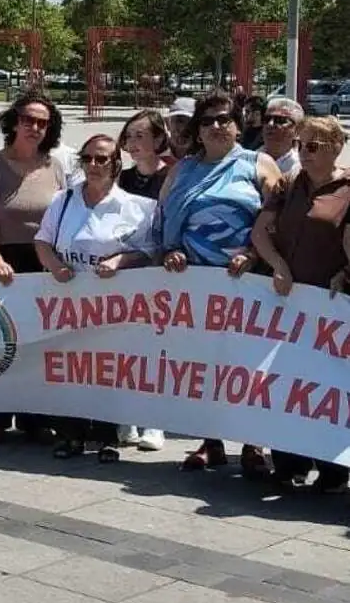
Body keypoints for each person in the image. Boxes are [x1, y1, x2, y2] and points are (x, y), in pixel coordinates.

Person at [160, 92, 282, 473]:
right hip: (196, 284)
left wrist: (254, 253)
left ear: (238, 125)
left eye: (224, 119)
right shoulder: (182, 170)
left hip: (248, 282)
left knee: (249, 366)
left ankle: (254, 445)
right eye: (208, 120)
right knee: (205, 366)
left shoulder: (258, 163)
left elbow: (278, 219)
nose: (216, 126)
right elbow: (163, 218)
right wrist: (171, 251)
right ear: (197, 129)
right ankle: (209, 441)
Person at [35, 134, 158, 462]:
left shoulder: (137, 208)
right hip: (68, 303)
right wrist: (55, 267)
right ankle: (71, 435)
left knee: (106, 370)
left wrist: (120, 261)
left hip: (112, 306)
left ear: (116, 164)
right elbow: (43, 241)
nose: (93, 165)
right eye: (87, 158)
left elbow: (148, 252)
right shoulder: (63, 201)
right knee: (71, 369)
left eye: (101, 159)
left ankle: (107, 438)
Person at [251, 116, 350, 493]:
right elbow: (260, 232)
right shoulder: (288, 184)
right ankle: (288, 460)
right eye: (301, 145)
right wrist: (277, 265)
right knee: (284, 382)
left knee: (326, 387)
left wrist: (346, 274)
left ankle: (332, 467)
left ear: (335, 147)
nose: (303, 154)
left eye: (313, 146)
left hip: (331, 307)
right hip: (287, 303)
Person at [0, 93, 68, 442]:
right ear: (14, 121)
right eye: (28, 119)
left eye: (43, 122)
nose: (35, 128)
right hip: (5, 266)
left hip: (44, 264)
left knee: (38, 343)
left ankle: (36, 417)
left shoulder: (55, 166)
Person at [115, 109, 171, 452]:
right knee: (125, 347)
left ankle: (155, 421)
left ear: (158, 140)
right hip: (126, 271)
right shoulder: (121, 178)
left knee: (157, 348)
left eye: (140, 136)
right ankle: (126, 415)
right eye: (129, 136)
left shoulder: (175, 176)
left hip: (162, 272)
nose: (133, 144)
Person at [261, 98, 303, 178]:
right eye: (266, 119)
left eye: (280, 120)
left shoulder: (302, 166)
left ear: (297, 130)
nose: (270, 124)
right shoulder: (249, 159)